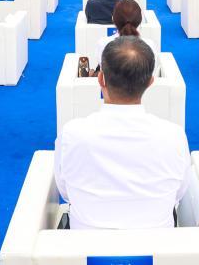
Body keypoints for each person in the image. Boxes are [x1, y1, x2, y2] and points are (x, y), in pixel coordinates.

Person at [54, 37, 190, 231]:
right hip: (158, 243)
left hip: (85, 242)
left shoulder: (72, 134)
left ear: (100, 79)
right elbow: (178, 193)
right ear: (150, 82)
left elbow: (66, 192)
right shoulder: (174, 136)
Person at [92, 0, 159, 73]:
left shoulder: (103, 44)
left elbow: (103, 70)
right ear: (140, 20)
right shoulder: (150, 45)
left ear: (113, 19)